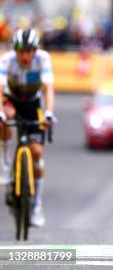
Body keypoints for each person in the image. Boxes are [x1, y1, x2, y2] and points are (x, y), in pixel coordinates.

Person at [0, 29, 56, 227]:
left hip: (33, 104)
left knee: (37, 153)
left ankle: (37, 205)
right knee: (6, 117)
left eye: (28, 51)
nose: (24, 56)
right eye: (20, 51)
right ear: (15, 51)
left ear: (35, 51)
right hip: (11, 101)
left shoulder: (43, 59)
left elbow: (48, 88)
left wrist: (49, 112)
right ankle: (6, 164)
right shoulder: (6, 61)